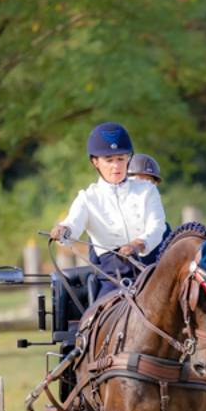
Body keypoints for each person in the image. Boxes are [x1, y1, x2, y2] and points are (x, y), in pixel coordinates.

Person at [50, 122, 166, 302]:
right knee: (93, 317)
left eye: (121, 159)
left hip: (152, 272)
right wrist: (63, 230)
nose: (116, 166)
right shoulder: (87, 198)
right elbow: (73, 223)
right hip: (112, 278)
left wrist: (138, 244)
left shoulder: (147, 190)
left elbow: (157, 226)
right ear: (95, 161)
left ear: (128, 158)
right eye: (109, 160)